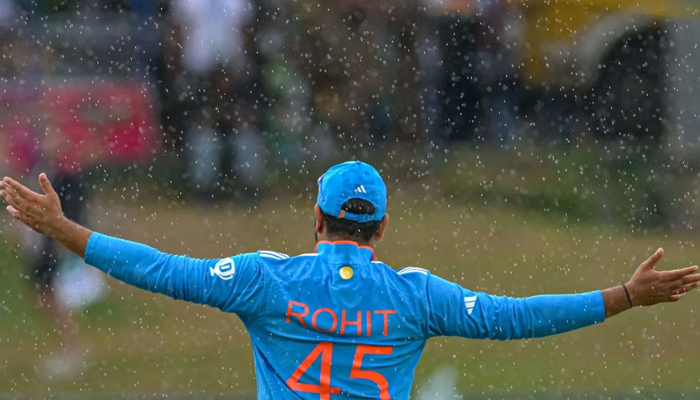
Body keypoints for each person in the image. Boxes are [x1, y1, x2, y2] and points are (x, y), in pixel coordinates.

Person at [1, 161, 699, 399]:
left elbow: (158, 269)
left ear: (316, 218)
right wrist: (625, 297)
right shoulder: (416, 296)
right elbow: (517, 317)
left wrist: (64, 232)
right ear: (382, 229)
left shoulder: (263, 282)